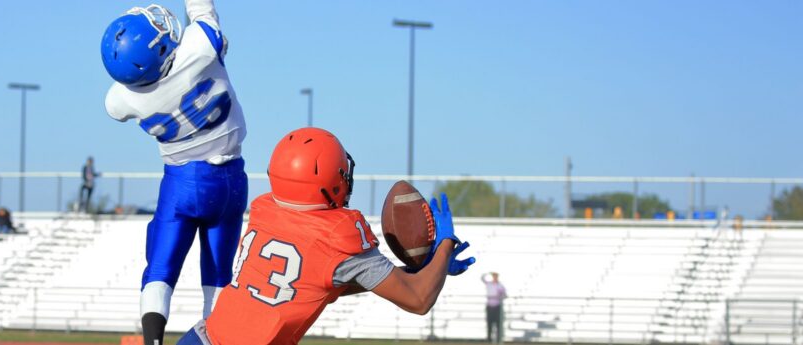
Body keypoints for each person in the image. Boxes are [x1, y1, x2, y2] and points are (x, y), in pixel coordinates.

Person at [176, 128, 476, 344]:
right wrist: (444, 245)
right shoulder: (336, 234)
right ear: (330, 180)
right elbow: (419, 299)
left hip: (200, 337)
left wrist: (421, 271)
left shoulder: (265, 209)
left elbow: (316, 284)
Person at [101, 1, 249, 343]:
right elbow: (203, 12)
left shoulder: (122, 99)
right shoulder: (200, 47)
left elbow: (117, 106)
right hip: (229, 180)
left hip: (181, 183)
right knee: (218, 274)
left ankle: (153, 341)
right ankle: (216, 338)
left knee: (160, 270)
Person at [482, 272, 508, 343]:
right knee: (489, 323)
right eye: (493, 276)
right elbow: (482, 278)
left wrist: (500, 296)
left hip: (497, 306)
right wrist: (487, 273)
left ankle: (498, 339)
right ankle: (489, 339)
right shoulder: (489, 284)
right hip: (489, 306)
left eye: (495, 276)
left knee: (498, 323)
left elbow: (505, 295)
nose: (494, 278)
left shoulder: (500, 286)